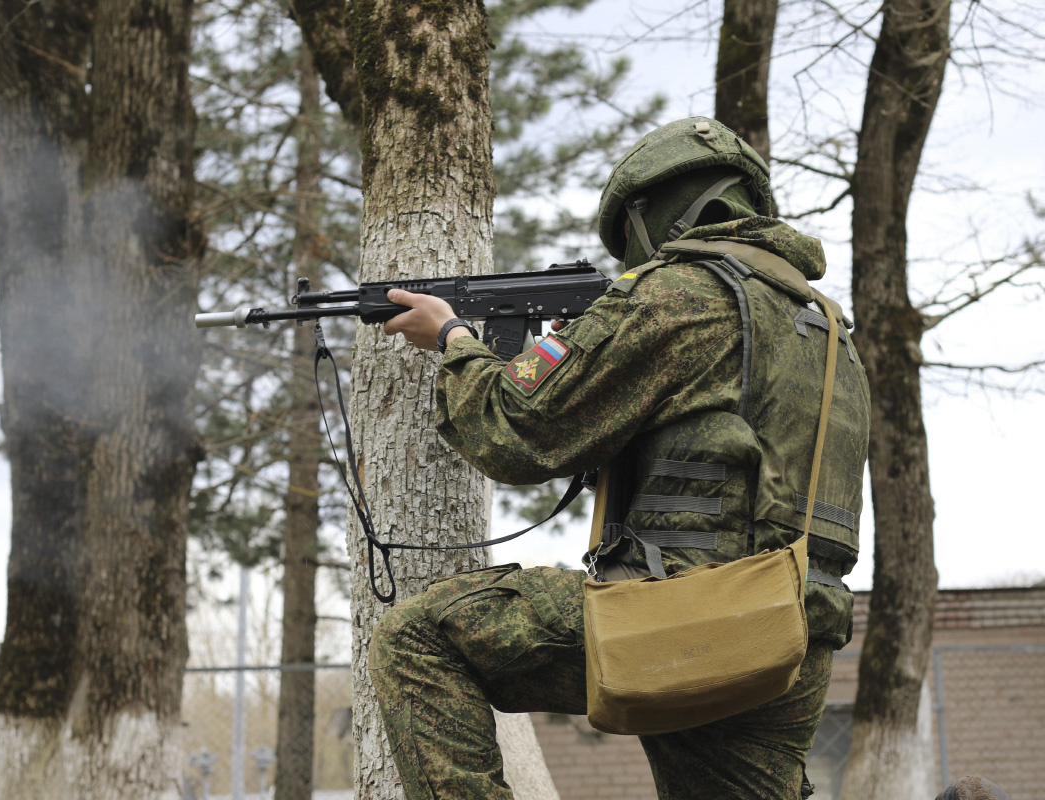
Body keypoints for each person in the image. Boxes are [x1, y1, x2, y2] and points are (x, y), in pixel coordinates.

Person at [372, 116, 871, 800]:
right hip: (793, 636)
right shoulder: (826, 327)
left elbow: (514, 428)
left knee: (420, 638)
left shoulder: (679, 293)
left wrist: (454, 340)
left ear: (645, 214)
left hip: (685, 619)